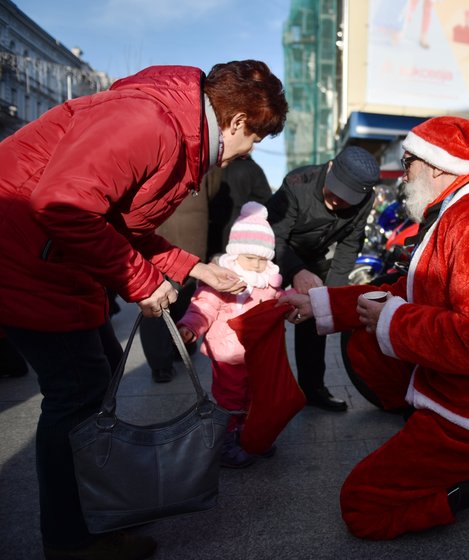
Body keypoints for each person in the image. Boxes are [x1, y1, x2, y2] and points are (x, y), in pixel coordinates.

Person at [0, 60, 288, 560]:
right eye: (256, 139)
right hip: (24, 258)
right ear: (237, 121)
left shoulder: (175, 127)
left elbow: (121, 224)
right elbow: (62, 205)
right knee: (76, 397)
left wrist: (195, 269)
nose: (249, 151)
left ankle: (102, 510)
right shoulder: (149, 121)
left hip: (57, 262)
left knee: (101, 379)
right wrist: (140, 280)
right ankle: (73, 541)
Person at [279, 116, 469, 540]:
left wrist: (392, 319)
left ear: (436, 166)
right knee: (370, 351)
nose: (404, 172)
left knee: (360, 506)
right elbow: (409, 290)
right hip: (463, 394)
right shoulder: (461, 213)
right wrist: (320, 305)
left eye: (408, 161)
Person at [266, 146, 380, 412]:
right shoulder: (296, 184)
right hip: (277, 255)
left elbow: (350, 244)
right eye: (335, 191)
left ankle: (313, 389)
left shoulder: (366, 199)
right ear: (330, 167)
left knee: (315, 321)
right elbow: (274, 236)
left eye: (347, 198)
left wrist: (333, 296)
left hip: (316, 257)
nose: (339, 201)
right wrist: (295, 271)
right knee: (267, 322)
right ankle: (266, 393)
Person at [178, 201, 287, 468]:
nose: (258, 265)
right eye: (251, 258)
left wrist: (295, 301)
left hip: (258, 354)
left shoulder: (268, 282)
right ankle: (226, 441)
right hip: (227, 354)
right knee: (230, 397)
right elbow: (204, 304)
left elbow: (280, 299)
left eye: (263, 260)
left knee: (255, 396)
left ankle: (251, 437)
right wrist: (190, 327)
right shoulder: (223, 281)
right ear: (235, 254)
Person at [139, 167, 224, 383]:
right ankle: (181, 345)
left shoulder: (151, 155)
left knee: (153, 299)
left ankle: (160, 365)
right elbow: (213, 188)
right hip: (191, 234)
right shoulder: (202, 161)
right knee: (184, 294)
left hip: (153, 233)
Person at [207, 155, 274, 259]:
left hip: (213, 226)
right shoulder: (253, 168)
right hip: (243, 232)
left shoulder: (215, 167)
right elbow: (266, 202)